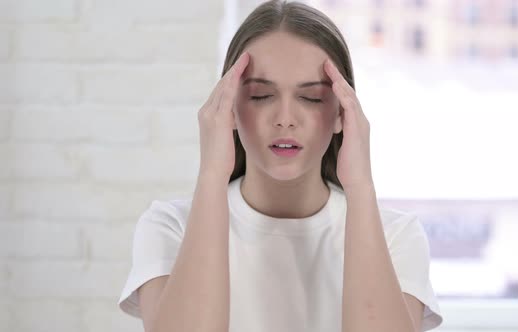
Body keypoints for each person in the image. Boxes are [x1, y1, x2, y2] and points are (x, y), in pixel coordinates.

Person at [118, 1, 443, 331]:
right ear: (228, 107)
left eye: (311, 97)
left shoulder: (395, 238)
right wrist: (212, 174)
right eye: (261, 95)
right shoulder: (170, 228)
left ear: (342, 114)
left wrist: (361, 186)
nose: (285, 119)